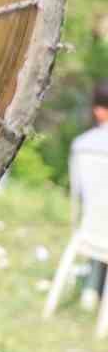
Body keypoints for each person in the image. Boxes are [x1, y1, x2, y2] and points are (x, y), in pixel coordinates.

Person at [69, 82, 108, 310]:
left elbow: (81, 194)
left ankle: (90, 291)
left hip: (90, 228)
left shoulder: (82, 144)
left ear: (99, 110)